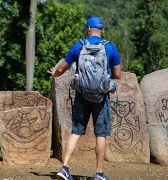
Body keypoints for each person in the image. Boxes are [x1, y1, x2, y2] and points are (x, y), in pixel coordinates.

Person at [48, 16, 121, 180]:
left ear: (88, 28)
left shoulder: (79, 45)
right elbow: (117, 74)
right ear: (101, 30)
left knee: (76, 132)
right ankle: (99, 173)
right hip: (101, 97)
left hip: (82, 95)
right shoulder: (109, 47)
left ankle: (64, 168)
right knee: (101, 134)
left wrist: (56, 73)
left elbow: (62, 67)